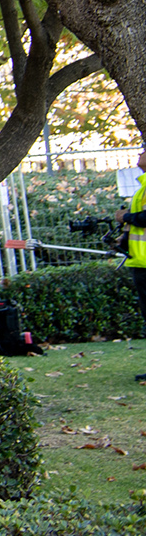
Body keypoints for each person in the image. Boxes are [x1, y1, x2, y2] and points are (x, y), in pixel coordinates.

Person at [117, 152, 146, 382]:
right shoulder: (141, 189)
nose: (139, 153)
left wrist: (126, 217)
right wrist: (123, 240)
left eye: (144, 149)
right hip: (140, 262)